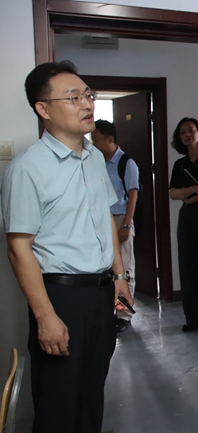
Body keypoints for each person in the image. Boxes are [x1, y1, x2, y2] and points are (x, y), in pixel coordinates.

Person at [0, 60, 134, 433]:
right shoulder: (27, 169)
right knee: (58, 405)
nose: (87, 103)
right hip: (60, 297)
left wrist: (119, 276)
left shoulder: (93, 157)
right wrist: (46, 317)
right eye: (73, 97)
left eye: (88, 95)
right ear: (43, 109)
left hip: (101, 293)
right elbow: (18, 249)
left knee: (91, 397)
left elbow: (105, 218)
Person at [92, 119, 139, 332]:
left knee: (125, 268)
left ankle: (123, 315)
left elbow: (133, 195)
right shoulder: (96, 162)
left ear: (110, 139)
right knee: (105, 269)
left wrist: (126, 225)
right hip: (101, 219)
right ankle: (107, 312)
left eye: (96, 139)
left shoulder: (126, 163)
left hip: (121, 219)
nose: (93, 143)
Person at [169, 117, 198, 332]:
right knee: (187, 269)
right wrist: (195, 191)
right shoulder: (180, 165)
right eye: (183, 132)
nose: (188, 134)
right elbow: (173, 193)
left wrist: (190, 196)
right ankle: (192, 319)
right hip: (187, 221)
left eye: (191, 130)